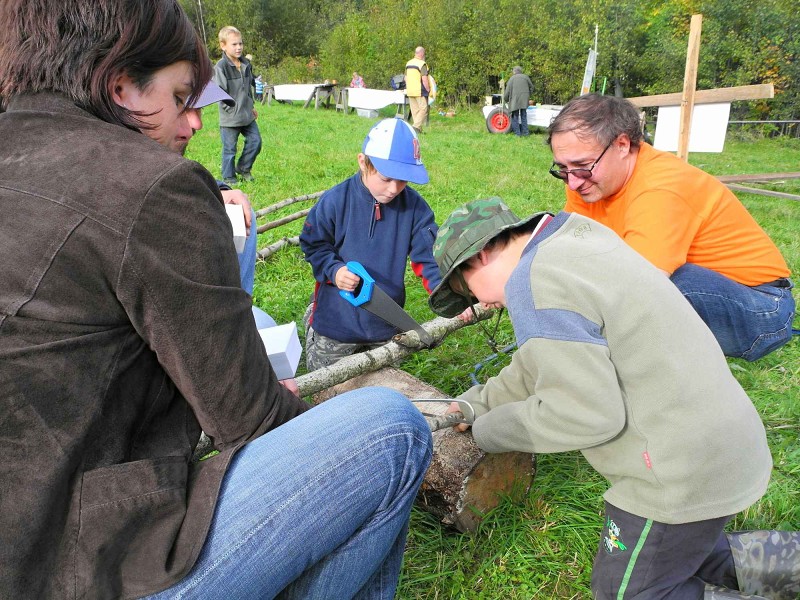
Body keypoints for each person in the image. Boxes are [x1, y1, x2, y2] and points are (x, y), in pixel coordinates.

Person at [0, 2, 433, 598]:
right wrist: (293, 422)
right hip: (73, 561)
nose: (196, 123)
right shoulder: (153, 188)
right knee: (392, 430)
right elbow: (249, 421)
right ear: (122, 86)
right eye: (182, 97)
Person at [427, 198, 800, 600]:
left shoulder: (532, 282)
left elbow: (583, 416)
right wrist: (477, 402)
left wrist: (486, 430)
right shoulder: (575, 239)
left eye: (467, 292)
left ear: (479, 255)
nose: (481, 304)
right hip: (722, 444)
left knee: (631, 592)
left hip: (674, 475)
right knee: (685, 551)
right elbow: (544, 361)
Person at [547, 93, 795, 361]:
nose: (573, 182)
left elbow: (637, 284)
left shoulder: (661, 187)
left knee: (659, 289)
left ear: (621, 145)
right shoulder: (586, 183)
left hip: (763, 308)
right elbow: (570, 245)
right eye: (563, 169)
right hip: (717, 290)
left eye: (583, 166)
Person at [299, 118, 442, 371]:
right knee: (325, 389)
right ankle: (311, 319)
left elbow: (430, 258)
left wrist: (448, 295)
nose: (395, 189)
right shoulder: (335, 202)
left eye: (403, 180)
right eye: (387, 178)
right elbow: (314, 245)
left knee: (384, 392)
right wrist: (335, 270)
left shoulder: (415, 209)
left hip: (385, 326)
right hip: (336, 325)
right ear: (363, 163)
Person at [213, 26, 262, 186]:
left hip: (247, 115)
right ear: (223, 45)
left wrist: (251, 105)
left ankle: (243, 168)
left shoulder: (246, 64)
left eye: (240, 43)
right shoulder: (221, 67)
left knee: (256, 141)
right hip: (230, 118)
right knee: (229, 150)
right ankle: (229, 178)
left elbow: (247, 89)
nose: (239, 47)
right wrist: (233, 108)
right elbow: (219, 92)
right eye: (234, 44)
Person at [405, 46, 430, 133]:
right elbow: (424, 78)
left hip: (410, 90)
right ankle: (415, 127)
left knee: (415, 111)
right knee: (424, 108)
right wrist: (428, 89)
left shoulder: (408, 63)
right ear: (422, 53)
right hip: (419, 90)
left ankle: (418, 131)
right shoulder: (422, 64)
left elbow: (405, 77)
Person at [503, 66, 534, 136]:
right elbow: (532, 87)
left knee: (515, 117)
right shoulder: (526, 77)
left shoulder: (512, 79)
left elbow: (507, 92)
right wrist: (528, 95)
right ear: (521, 71)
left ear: (514, 71)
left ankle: (517, 134)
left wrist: (506, 99)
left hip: (515, 100)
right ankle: (526, 133)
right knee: (524, 116)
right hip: (524, 100)